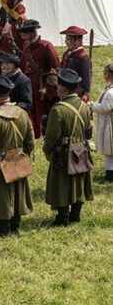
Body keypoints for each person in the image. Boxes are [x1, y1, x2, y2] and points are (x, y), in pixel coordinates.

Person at [0, 75, 35, 236]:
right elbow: (30, 141)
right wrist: (22, 155)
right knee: (17, 191)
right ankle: (15, 225)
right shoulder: (22, 113)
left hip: (0, 163)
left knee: (2, 194)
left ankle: (3, 228)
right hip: (18, 158)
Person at [43, 68, 94, 226]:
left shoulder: (58, 110)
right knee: (78, 180)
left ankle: (63, 217)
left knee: (62, 182)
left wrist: (47, 150)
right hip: (81, 149)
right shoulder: (84, 106)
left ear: (63, 87)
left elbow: (51, 137)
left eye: (59, 84)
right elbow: (88, 130)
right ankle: (76, 214)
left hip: (63, 152)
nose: (57, 87)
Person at [19, 19, 60, 139]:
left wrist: (52, 88)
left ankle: (45, 132)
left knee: (42, 110)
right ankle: (34, 133)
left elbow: (56, 68)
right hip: (28, 83)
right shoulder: (26, 46)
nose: (23, 34)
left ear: (33, 31)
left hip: (42, 86)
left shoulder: (46, 46)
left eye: (25, 32)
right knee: (31, 110)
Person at [89, 63, 113, 183]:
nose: (104, 75)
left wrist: (92, 105)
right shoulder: (109, 88)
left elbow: (105, 107)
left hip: (110, 124)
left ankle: (110, 175)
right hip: (108, 121)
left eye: (106, 73)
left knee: (110, 150)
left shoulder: (110, 93)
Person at [59, 25, 92, 98]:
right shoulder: (66, 54)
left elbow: (86, 78)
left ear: (78, 41)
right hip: (64, 90)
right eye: (66, 39)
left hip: (76, 93)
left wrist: (86, 93)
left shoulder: (83, 58)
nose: (66, 42)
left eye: (69, 40)